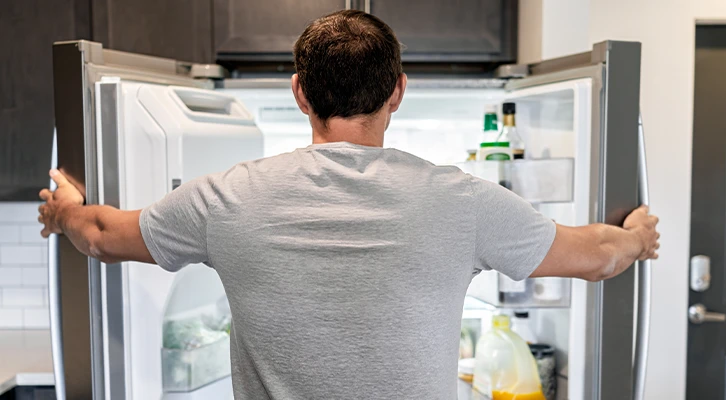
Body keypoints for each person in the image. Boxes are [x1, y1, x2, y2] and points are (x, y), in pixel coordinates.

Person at [37, 10, 659, 400]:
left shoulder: (226, 196)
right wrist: (636, 236)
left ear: (300, 93)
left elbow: (98, 234)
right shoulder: (464, 201)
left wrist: (62, 209)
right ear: (398, 92)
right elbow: (597, 256)